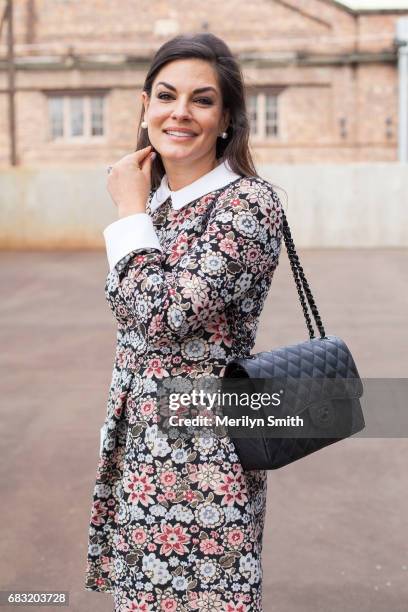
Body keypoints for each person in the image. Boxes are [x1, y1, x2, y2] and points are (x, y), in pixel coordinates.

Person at [84, 31, 284, 612]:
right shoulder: (157, 206)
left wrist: (125, 211)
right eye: (165, 95)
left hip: (203, 455)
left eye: (202, 99)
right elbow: (131, 312)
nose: (180, 113)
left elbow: (162, 315)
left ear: (226, 120)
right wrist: (137, 210)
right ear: (144, 106)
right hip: (140, 443)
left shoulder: (247, 204)